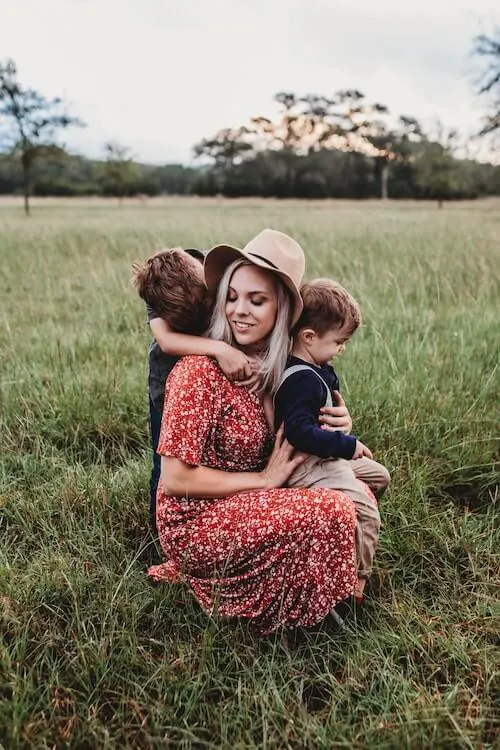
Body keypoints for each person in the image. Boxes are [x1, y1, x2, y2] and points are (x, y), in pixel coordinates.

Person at [147, 229, 359, 635]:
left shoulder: (282, 371)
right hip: (197, 520)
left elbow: (305, 435)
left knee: (360, 489)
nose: (239, 311)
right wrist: (263, 480)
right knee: (333, 510)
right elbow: (174, 481)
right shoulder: (199, 371)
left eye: (256, 300)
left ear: (283, 312)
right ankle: (291, 614)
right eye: (231, 297)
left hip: (256, 501)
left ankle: (300, 587)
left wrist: (339, 422)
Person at [274, 278, 390, 600]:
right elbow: (298, 432)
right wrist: (348, 446)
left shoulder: (316, 366)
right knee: (368, 510)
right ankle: (356, 581)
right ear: (309, 337)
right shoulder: (300, 381)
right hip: (308, 466)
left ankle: (346, 538)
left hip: (324, 460)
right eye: (339, 341)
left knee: (380, 476)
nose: (342, 348)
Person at [132, 247, 253, 530]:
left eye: (206, 301)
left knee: (214, 451)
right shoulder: (157, 287)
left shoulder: (208, 269)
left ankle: (211, 514)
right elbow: (167, 341)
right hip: (167, 377)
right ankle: (159, 530)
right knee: (166, 460)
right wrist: (219, 349)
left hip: (215, 378)